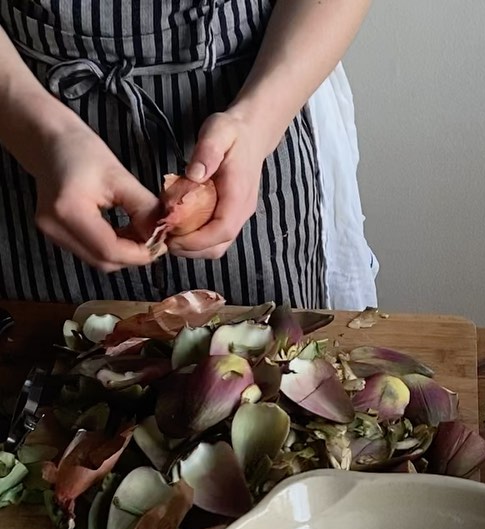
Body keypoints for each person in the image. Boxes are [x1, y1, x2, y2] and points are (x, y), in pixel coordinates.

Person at [0, 0, 375, 310]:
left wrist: (258, 122)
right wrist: (40, 132)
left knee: (274, 360)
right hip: (28, 118)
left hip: (251, 109)